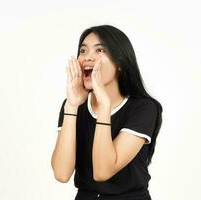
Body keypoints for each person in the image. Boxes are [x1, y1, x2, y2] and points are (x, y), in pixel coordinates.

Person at [51, 25, 163, 200]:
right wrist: (71, 107)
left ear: (119, 63)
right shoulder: (73, 105)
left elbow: (103, 171)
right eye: (83, 50)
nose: (88, 57)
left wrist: (104, 106)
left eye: (99, 50)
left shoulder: (144, 108)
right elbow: (62, 173)